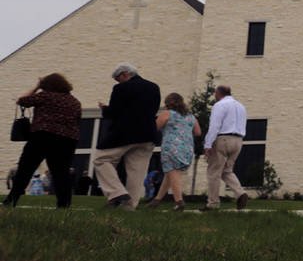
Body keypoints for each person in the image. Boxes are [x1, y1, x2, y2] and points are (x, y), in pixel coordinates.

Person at [2, 74, 81, 208]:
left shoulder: (45, 95)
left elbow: (22, 100)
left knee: (25, 169)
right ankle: (64, 205)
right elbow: (77, 121)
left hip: (43, 136)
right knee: (61, 173)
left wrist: (37, 86)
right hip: (67, 140)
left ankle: (11, 200)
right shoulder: (74, 102)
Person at [93, 63, 161, 209]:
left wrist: (105, 109)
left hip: (125, 132)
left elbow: (115, 113)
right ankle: (129, 207)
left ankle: (116, 192)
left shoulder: (121, 88)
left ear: (124, 74)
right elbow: (152, 110)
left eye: (118, 79)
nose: (118, 82)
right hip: (148, 133)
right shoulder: (154, 87)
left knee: (101, 158)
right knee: (137, 171)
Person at [147, 93, 200, 211]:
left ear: (168, 103)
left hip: (171, 147)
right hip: (187, 148)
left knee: (172, 172)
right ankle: (156, 200)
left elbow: (155, 127)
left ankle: (179, 201)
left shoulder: (167, 114)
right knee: (170, 174)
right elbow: (198, 132)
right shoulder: (191, 116)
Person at [201, 85, 249, 211]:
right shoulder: (241, 106)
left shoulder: (220, 105)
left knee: (213, 173)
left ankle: (213, 203)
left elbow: (215, 125)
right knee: (227, 170)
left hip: (223, 139)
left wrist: (208, 144)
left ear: (218, 93)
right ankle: (240, 193)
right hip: (238, 140)